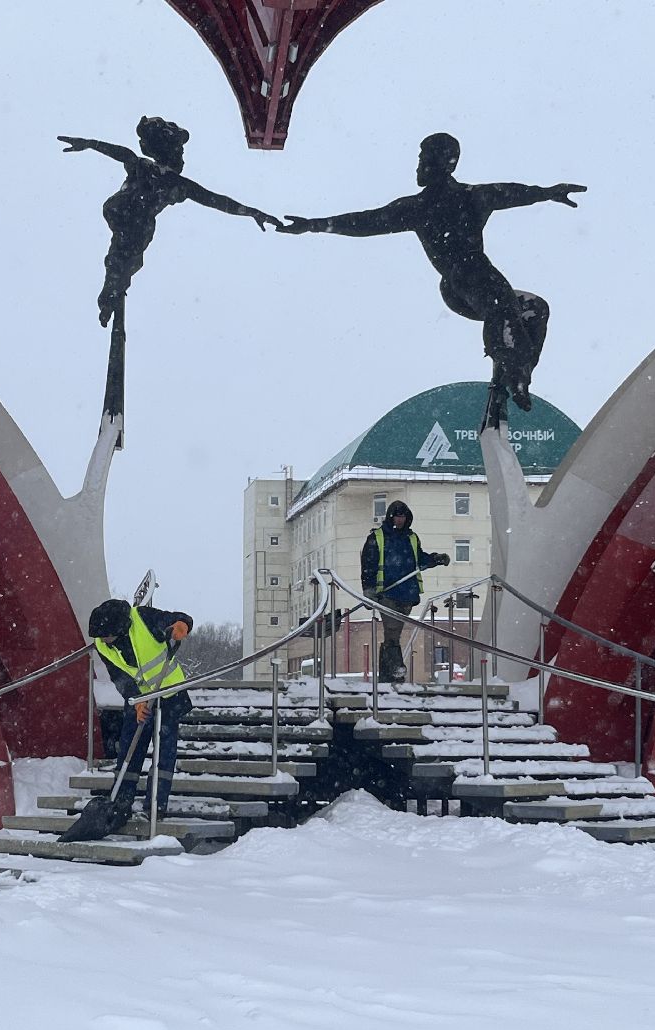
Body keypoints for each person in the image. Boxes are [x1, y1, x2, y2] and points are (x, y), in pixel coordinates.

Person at [279, 133, 584, 427]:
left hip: (478, 278)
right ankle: (513, 372)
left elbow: (515, 192)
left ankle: (515, 372)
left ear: (444, 164)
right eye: (420, 158)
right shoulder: (419, 206)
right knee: (500, 302)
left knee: (534, 308)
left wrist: (547, 192)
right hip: (458, 284)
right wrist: (313, 225)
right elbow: (365, 222)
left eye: (423, 158)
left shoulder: (471, 197)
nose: (418, 166)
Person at [60, 117, 281, 327]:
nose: (182, 154)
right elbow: (123, 153)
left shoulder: (175, 182)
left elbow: (216, 200)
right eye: (179, 148)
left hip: (135, 221)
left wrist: (252, 212)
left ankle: (113, 291)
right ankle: (111, 292)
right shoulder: (146, 168)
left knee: (128, 254)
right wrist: (90, 144)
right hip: (127, 211)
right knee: (123, 252)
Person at [87, 597, 194, 824]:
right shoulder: (102, 644)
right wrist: (136, 701)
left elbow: (175, 618)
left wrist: (181, 624)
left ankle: (156, 805)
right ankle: (120, 803)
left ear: (117, 628)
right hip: (139, 699)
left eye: (106, 636)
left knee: (164, 754)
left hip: (169, 693)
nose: (103, 641)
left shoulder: (143, 618)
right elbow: (119, 676)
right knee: (129, 750)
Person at [360, 500, 450, 681]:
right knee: (392, 630)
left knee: (393, 634)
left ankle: (387, 675)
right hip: (387, 593)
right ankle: (396, 670)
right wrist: (368, 590)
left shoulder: (411, 537)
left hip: (407, 594)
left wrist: (434, 559)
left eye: (403, 517)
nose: (400, 520)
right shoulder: (378, 537)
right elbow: (368, 565)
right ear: (390, 517)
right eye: (397, 517)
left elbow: (419, 559)